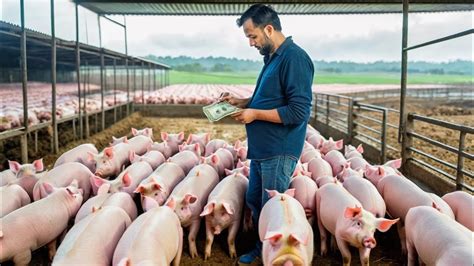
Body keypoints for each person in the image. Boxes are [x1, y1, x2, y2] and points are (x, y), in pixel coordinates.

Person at [219, 4, 314, 265]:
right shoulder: (273, 58)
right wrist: (242, 102)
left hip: (280, 148)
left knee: (273, 208)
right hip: (264, 147)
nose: (251, 42)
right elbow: (269, 98)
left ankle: (276, 256)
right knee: (255, 200)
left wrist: (255, 114)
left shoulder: (294, 58)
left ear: (269, 29)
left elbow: (298, 111)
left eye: (253, 36)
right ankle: (264, 248)